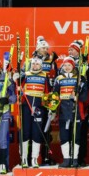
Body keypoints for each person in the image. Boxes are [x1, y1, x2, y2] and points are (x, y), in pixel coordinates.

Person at [52, 56, 88, 168]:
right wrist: (52, 109)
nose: (67, 67)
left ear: (73, 66)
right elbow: (55, 95)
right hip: (63, 112)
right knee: (64, 136)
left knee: (76, 136)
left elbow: (85, 96)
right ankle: (66, 159)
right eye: (65, 65)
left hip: (76, 111)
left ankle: (75, 159)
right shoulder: (59, 78)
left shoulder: (80, 78)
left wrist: (78, 96)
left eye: (69, 65)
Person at [32, 36, 59, 166]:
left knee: (47, 128)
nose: (45, 49)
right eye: (43, 47)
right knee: (34, 128)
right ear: (37, 48)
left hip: (47, 93)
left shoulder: (51, 59)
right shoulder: (32, 59)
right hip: (35, 94)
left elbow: (56, 74)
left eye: (46, 48)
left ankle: (47, 156)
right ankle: (33, 157)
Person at [20, 57, 50, 168]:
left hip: (39, 108)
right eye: (33, 64)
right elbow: (19, 88)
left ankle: (34, 158)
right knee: (25, 132)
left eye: (37, 64)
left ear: (41, 66)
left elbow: (47, 92)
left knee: (37, 133)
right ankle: (24, 158)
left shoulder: (44, 76)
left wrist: (49, 106)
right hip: (26, 106)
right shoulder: (26, 75)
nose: (35, 66)